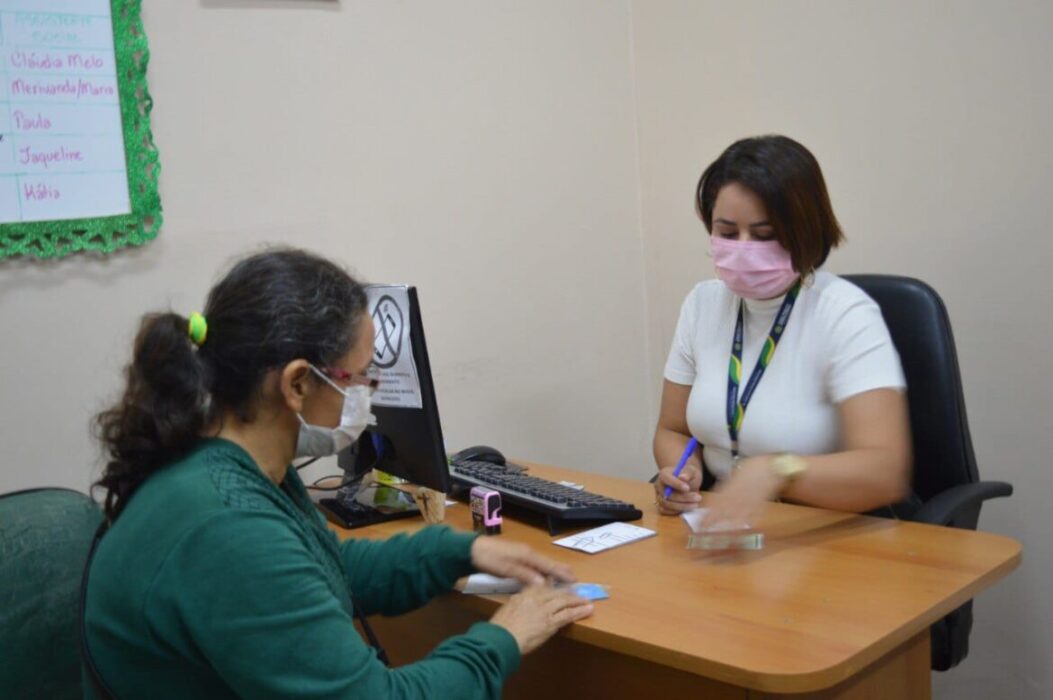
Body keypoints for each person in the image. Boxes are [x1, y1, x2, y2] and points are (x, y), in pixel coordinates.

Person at [84, 248, 593, 699]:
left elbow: (324, 572)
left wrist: (460, 550)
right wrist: (504, 636)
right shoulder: (229, 527)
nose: (367, 396)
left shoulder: (223, 462)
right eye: (360, 378)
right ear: (298, 384)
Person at [653, 135, 912, 529]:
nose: (742, 249)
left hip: (828, 532)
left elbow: (884, 471)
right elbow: (673, 429)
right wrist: (681, 471)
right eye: (726, 232)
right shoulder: (702, 305)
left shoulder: (844, 313)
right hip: (726, 526)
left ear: (805, 231)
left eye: (764, 235)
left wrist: (777, 469)